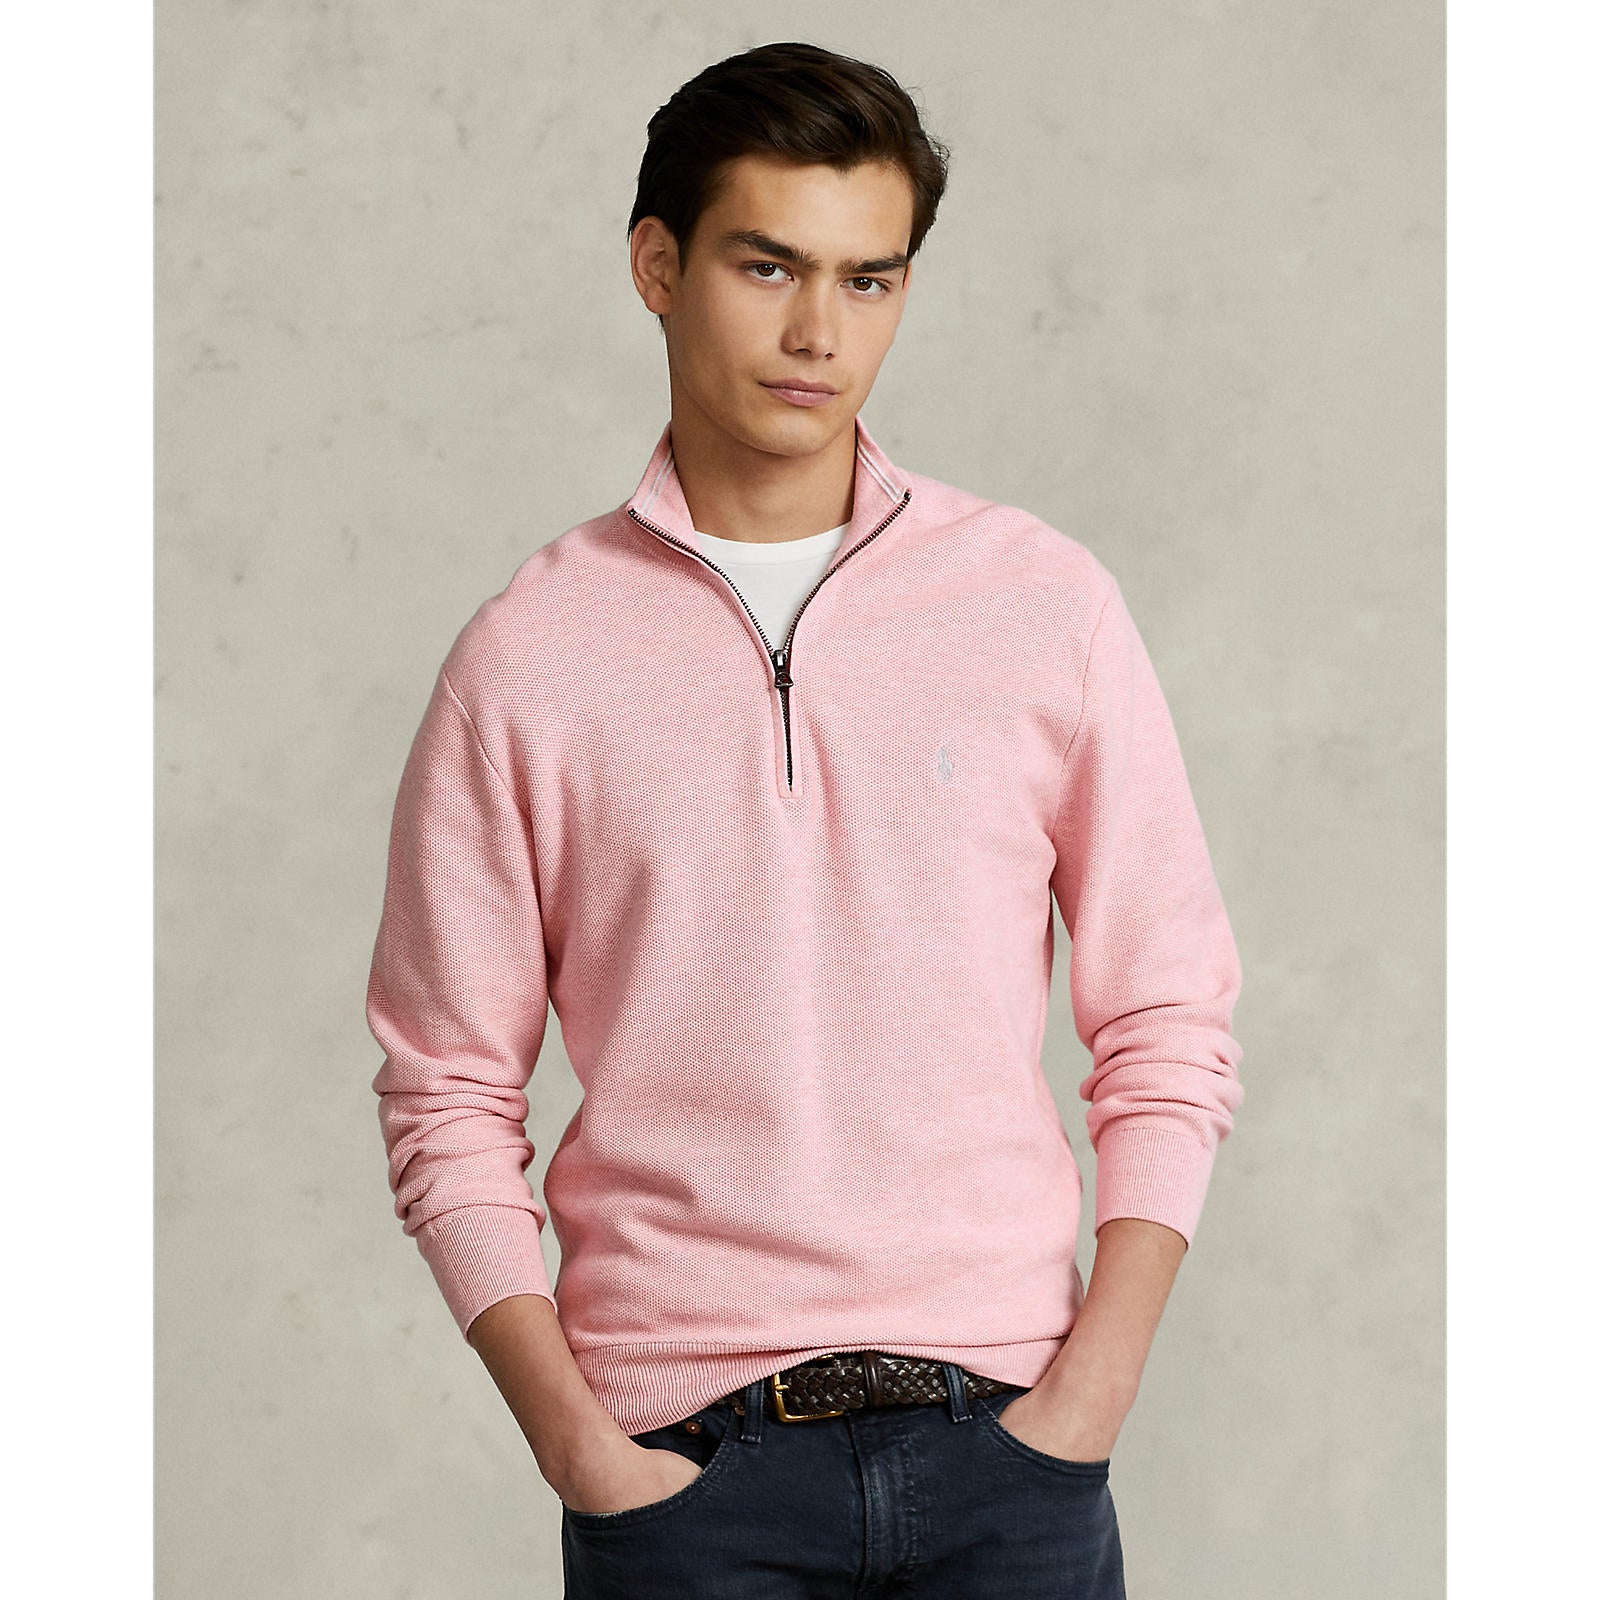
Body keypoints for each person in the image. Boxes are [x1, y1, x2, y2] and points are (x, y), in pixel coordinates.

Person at [365, 39, 1244, 1599]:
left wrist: (1091, 1397)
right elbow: (445, 1089)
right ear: (658, 265)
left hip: (1010, 1453)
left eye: (868, 278)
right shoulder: (530, 659)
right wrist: (583, 1449)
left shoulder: (1040, 606)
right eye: (767, 265)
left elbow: (1169, 1016)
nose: (817, 332)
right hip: (684, 1477)